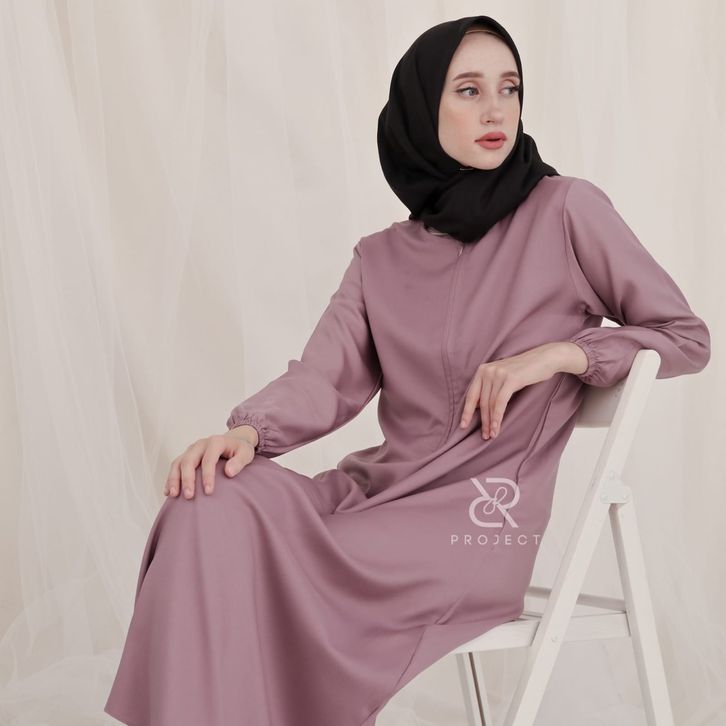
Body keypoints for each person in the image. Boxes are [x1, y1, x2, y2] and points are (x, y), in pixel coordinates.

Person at [103, 15, 711, 726]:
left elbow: (685, 337)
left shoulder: (566, 210)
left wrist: (564, 355)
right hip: (378, 497)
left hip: (475, 526)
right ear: (423, 109)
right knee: (206, 500)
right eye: (469, 90)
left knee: (270, 555)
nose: (496, 110)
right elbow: (323, 378)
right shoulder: (381, 257)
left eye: (510, 89)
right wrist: (247, 434)